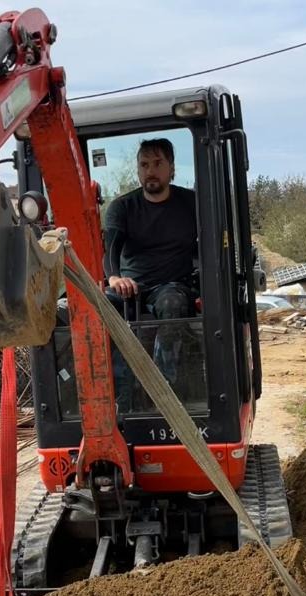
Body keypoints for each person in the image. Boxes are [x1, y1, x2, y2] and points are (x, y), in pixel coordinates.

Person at [102, 139, 199, 406]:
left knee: (172, 303)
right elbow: (110, 248)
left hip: (172, 286)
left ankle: (162, 395)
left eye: (158, 164)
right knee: (97, 306)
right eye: (144, 165)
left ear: (172, 169)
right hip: (129, 287)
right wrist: (114, 278)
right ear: (138, 170)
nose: (150, 171)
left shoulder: (191, 204)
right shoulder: (122, 207)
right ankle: (116, 398)